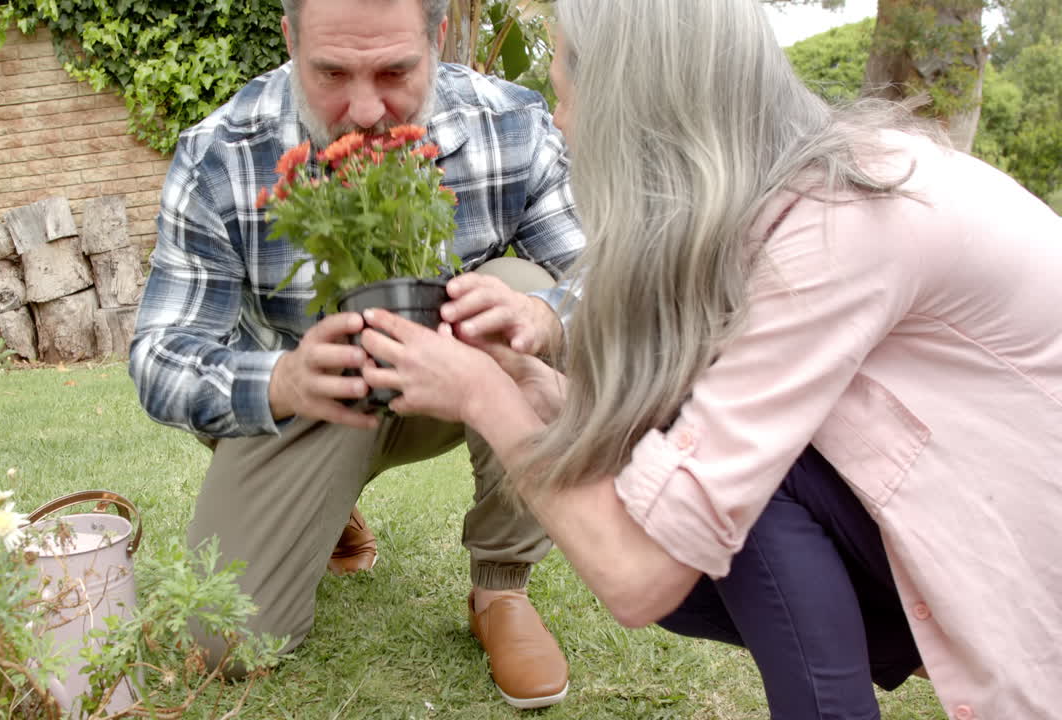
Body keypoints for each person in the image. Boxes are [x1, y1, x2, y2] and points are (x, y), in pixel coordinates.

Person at [356, 0, 1062, 718]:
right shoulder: (792, 197)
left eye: (565, 89)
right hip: (968, 527)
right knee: (686, 475)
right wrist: (535, 387)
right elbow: (673, 443)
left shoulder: (839, 228)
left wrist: (484, 397)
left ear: (633, 97)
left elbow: (637, 577)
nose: (562, 123)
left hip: (1030, 569)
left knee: (727, 494)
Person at [128, 0, 585, 709]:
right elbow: (160, 354)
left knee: (524, 288)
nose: (366, 110)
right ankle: (326, 502)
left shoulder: (513, 123)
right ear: (290, 39)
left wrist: (543, 316)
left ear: (436, 38)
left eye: (396, 70)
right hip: (311, 404)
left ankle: (500, 589)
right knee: (225, 643)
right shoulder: (221, 150)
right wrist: (281, 378)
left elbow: (607, 282)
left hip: (454, 380)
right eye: (331, 72)